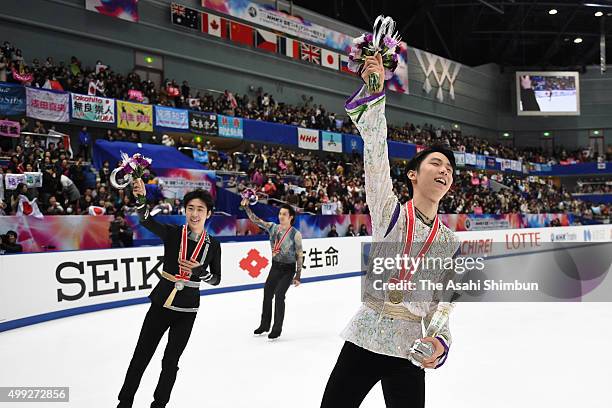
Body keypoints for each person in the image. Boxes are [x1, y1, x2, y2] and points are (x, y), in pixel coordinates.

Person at [320, 53, 460, 408]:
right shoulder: (390, 213)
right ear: (413, 174)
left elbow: (441, 306)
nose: (444, 170)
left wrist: (440, 342)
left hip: (410, 346)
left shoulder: (447, 241)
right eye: (436, 162)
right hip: (366, 336)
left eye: (449, 168)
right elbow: (377, 157)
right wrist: (375, 92)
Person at [117, 179, 221, 408]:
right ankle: (124, 403)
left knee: (171, 361)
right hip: (161, 304)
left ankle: (159, 404)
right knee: (141, 356)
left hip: (187, 310)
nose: (194, 213)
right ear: (185, 211)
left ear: (209, 213)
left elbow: (216, 279)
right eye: (190, 208)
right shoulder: (173, 234)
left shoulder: (213, 245)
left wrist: (200, 272)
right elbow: (146, 220)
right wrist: (142, 198)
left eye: (200, 209)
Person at [241, 198, 303, 339]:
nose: (281, 216)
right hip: (275, 267)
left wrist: (298, 275)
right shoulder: (272, 227)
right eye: (280, 213)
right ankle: (264, 325)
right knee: (267, 294)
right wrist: (247, 208)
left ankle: (277, 328)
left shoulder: (296, 234)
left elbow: (300, 254)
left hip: (288, 269)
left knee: (279, 295)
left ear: (291, 217)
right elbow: (256, 220)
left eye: (284, 214)